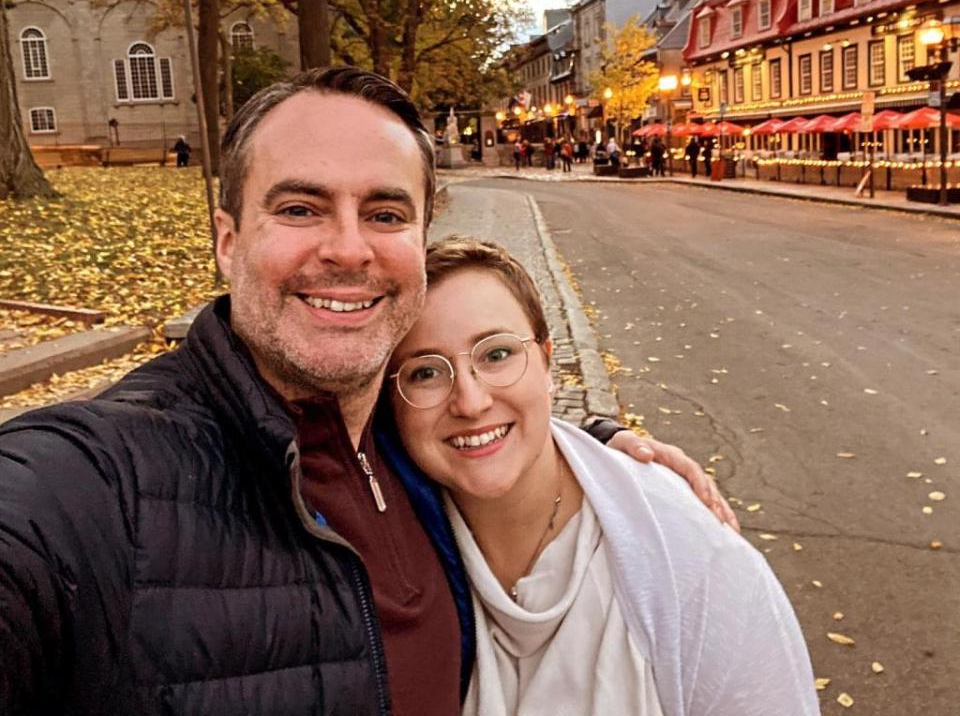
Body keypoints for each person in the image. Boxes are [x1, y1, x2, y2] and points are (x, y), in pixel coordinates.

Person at [0, 67, 731, 716]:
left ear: (418, 239)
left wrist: (598, 445)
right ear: (227, 241)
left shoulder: (403, 433)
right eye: (299, 209)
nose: (348, 248)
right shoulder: (99, 483)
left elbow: (479, 414)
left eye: (385, 214)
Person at [387, 237, 819, 716]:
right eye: (425, 372)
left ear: (547, 362)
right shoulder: (380, 544)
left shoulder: (689, 560)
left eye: (497, 354)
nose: (470, 401)